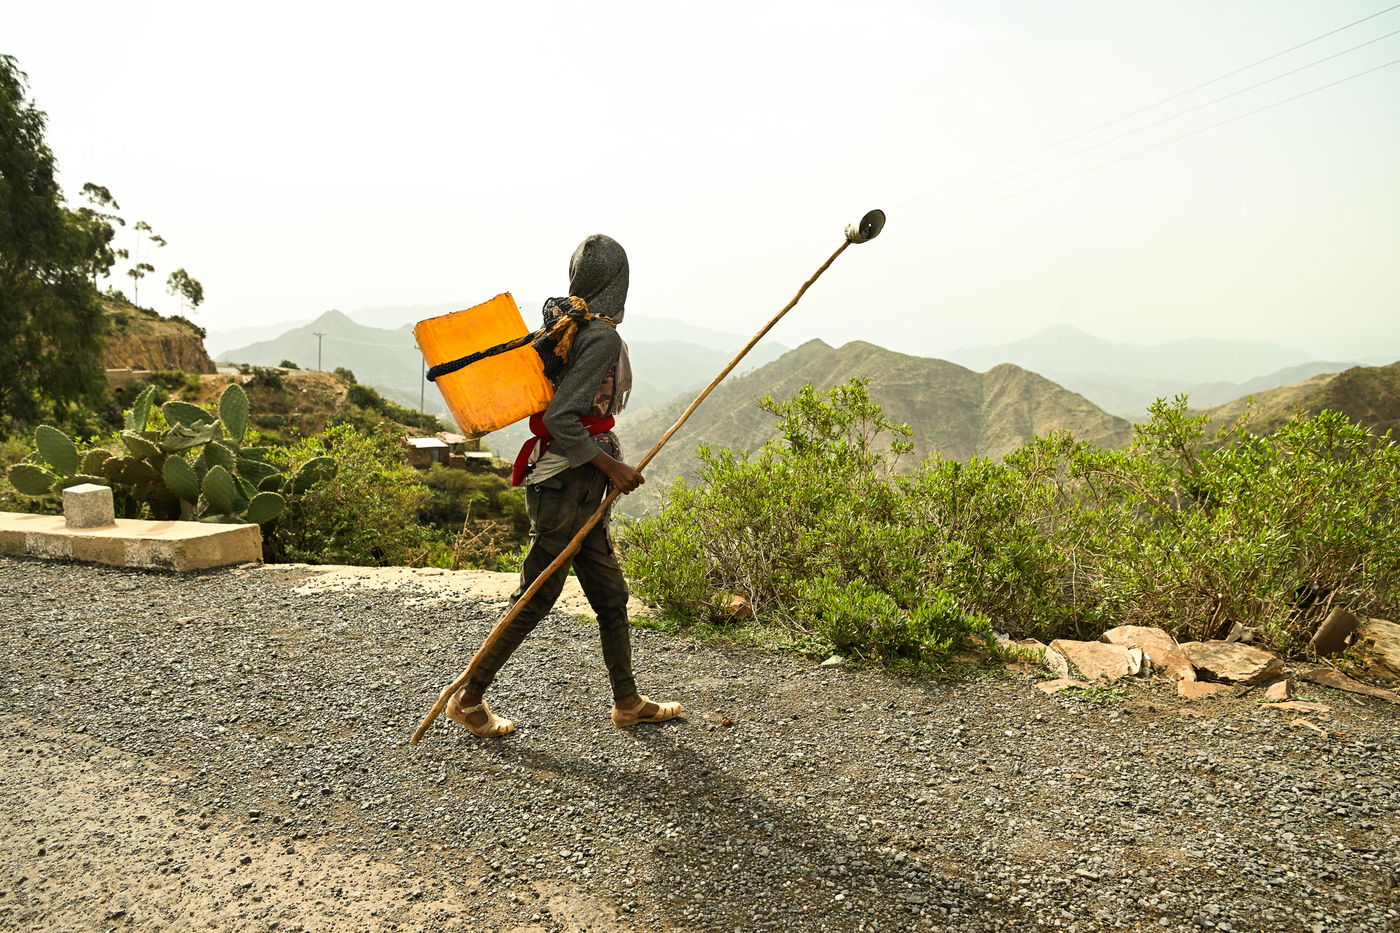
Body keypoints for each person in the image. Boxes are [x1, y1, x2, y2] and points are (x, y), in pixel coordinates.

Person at [447, 234, 682, 738]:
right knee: (537, 592)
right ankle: (468, 699)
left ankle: (626, 700)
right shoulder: (599, 337)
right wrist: (612, 468)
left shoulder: (564, 325)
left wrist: (602, 470)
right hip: (568, 480)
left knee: (610, 595)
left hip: (579, 483)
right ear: (618, 283)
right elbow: (562, 416)